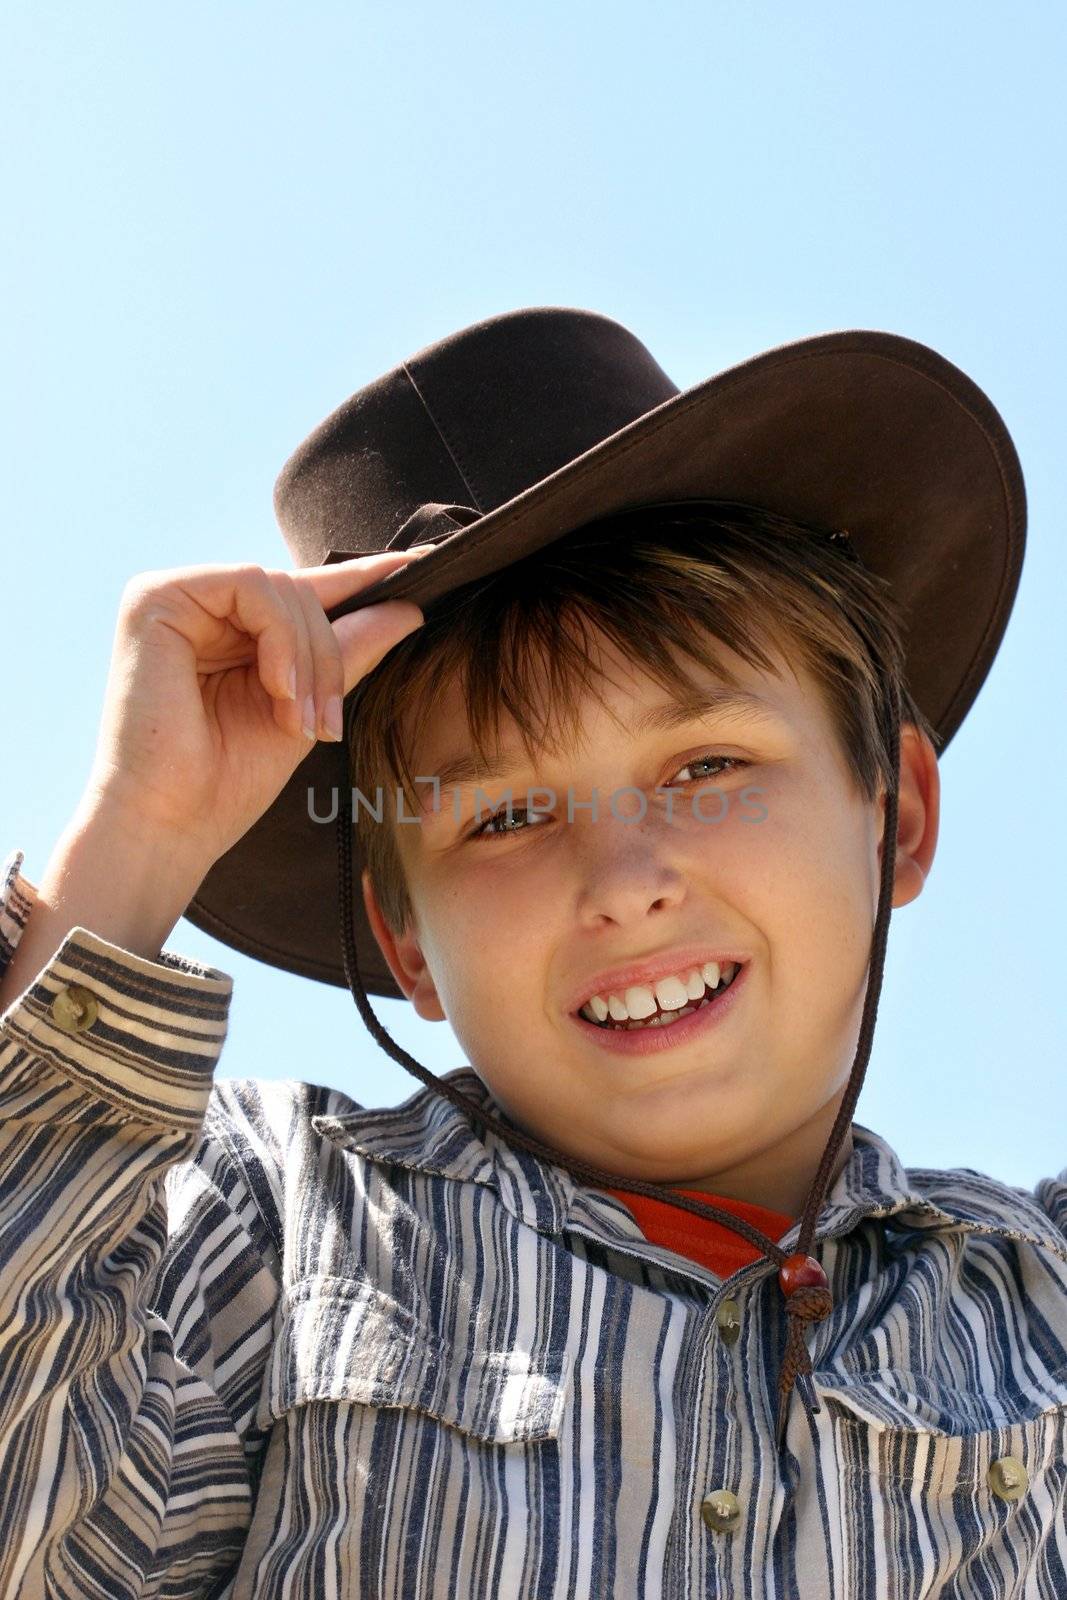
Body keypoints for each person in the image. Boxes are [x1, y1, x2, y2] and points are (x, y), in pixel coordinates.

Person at [1, 307, 1063, 1599]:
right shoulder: (266, 1230)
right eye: (505, 816)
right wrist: (137, 842)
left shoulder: (1036, 1298)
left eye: (708, 766)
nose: (625, 887)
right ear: (410, 947)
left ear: (894, 812)